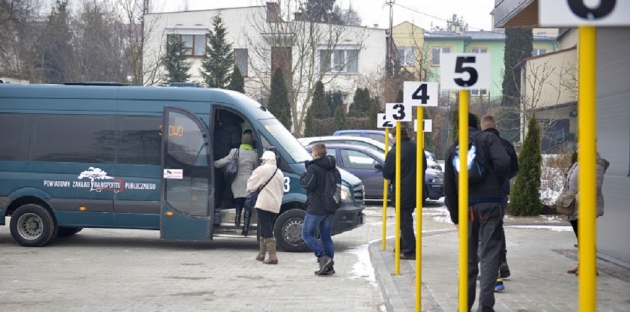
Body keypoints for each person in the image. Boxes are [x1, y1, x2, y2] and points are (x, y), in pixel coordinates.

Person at [444, 113, 510, 312]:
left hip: (466, 206)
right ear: (476, 125)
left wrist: (456, 217)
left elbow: (449, 188)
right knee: (490, 255)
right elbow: (505, 163)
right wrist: (494, 184)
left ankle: (464, 306)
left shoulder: (453, 148)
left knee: (468, 259)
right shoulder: (489, 139)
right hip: (490, 204)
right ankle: (485, 306)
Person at [480, 115, 519, 291]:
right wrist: (502, 180)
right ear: (496, 126)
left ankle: (491, 269)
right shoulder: (506, 144)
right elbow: (514, 169)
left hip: (482, 194)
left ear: (482, 128)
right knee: (497, 226)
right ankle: (502, 260)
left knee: (485, 231)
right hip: (501, 194)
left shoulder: (478, 143)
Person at [381, 125, 426, 260]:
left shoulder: (395, 152)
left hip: (402, 191)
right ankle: (403, 246)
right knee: (406, 218)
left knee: (405, 221)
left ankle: (409, 250)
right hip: (417, 190)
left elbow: (387, 173)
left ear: (395, 137)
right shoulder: (418, 148)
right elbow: (424, 166)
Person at [565, 147, 609, 276]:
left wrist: (577, 197)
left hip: (586, 207)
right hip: (574, 206)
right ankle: (581, 264)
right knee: (581, 238)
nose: (577, 151)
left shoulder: (596, 165)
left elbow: (594, 186)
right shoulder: (579, 163)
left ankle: (591, 267)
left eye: (580, 148)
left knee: (586, 239)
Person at [300, 143, 341, 276]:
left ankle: (323, 258)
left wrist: (303, 175)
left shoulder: (314, 167)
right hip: (330, 206)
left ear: (315, 153)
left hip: (316, 207)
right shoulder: (334, 168)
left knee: (306, 234)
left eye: (313, 152)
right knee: (326, 237)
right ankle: (329, 266)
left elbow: (307, 184)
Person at [214, 132, 259, 235]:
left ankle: (237, 217)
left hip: (236, 181)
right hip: (249, 181)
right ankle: (245, 229)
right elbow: (256, 169)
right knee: (248, 205)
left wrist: (212, 163)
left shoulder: (235, 151)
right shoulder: (254, 155)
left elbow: (224, 161)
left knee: (239, 201)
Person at [247, 150, 285, 265]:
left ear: (265, 160)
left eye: (263, 160)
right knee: (265, 227)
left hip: (264, 203)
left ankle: (272, 256)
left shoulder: (261, 170)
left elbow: (251, 186)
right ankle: (261, 254)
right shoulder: (279, 172)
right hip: (276, 204)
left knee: (267, 229)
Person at [213, 111, 243, 210]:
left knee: (216, 181)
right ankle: (226, 202)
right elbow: (236, 142)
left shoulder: (217, 126)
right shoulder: (235, 128)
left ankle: (215, 202)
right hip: (228, 157)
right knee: (228, 181)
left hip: (216, 156)